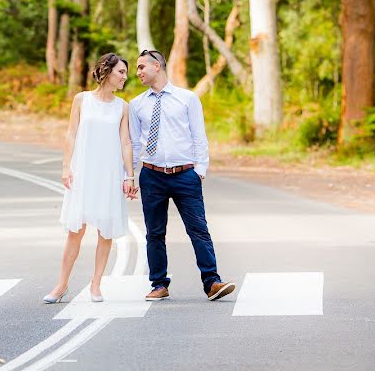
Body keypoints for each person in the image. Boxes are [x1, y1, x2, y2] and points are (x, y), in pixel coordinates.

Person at [129, 49, 235, 302]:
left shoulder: (187, 99)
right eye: (136, 68)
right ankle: (159, 284)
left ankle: (212, 282)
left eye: (141, 67)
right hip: (152, 175)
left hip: (185, 174)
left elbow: (199, 136)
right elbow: (134, 144)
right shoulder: (136, 104)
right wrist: (130, 176)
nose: (138, 73)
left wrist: (199, 171)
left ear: (157, 67)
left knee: (198, 229)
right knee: (154, 233)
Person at [44, 53, 138, 305]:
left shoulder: (123, 106)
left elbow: (126, 142)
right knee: (76, 230)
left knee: (105, 231)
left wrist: (130, 175)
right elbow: (71, 134)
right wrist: (66, 167)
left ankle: (96, 285)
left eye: (126, 73)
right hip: (83, 171)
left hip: (109, 173)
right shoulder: (82, 100)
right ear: (106, 72)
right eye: (121, 72)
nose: (124, 77)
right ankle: (61, 285)